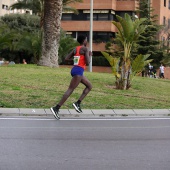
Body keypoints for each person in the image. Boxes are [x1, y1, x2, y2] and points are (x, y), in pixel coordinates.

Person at [50, 35, 92, 119]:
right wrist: (90, 55)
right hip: (79, 70)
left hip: (75, 70)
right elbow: (88, 62)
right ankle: (56, 108)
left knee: (89, 86)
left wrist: (76, 60)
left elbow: (66, 58)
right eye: (86, 40)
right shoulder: (85, 49)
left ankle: (78, 103)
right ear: (84, 41)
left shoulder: (75, 49)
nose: (87, 41)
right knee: (70, 89)